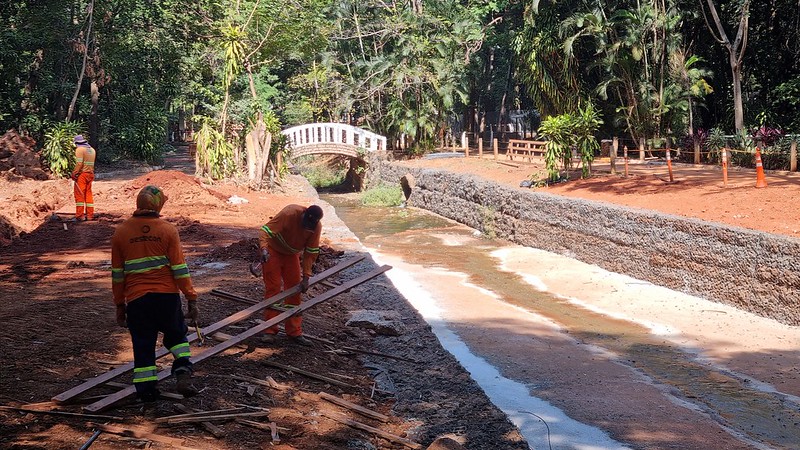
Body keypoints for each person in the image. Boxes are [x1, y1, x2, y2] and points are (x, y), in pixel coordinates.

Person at [111, 185, 200, 402]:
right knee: (177, 335)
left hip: (137, 300)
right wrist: (191, 297)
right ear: (158, 204)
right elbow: (179, 268)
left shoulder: (121, 232)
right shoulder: (168, 230)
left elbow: (117, 275)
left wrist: (120, 306)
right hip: (166, 297)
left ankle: (147, 392)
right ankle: (182, 371)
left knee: (143, 345)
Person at [258, 204, 323, 346]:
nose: (306, 227)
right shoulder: (289, 213)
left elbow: (310, 253)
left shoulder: (316, 227)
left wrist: (306, 277)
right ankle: (269, 330)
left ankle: (294, 331)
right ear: (303, 214)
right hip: (273, 251)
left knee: (295, 290)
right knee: (273, 288)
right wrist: (264, 249)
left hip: (292, 254)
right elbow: (265, 231)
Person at [71, 135, 96, 221]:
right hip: (90, 174)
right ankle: (90, 215)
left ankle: (80, 216)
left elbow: (79, 163)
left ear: (77, 143)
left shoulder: (80, 150)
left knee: (79, 195)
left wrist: (74, 173)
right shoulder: (92, 150)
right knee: (88, 195)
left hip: (82, 175)